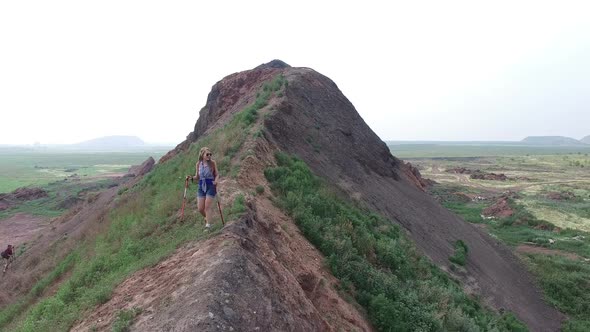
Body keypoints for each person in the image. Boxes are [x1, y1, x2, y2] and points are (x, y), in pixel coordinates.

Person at [189, 147, 219, 229]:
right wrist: (191, 178)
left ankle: (208, 226)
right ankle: (207, 218)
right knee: (200, 208)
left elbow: (217, 174)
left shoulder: (212, 163)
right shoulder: (198, 164)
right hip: (201, 185)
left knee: (207, 207)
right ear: (202, 155)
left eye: (210, 154)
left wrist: (216, 181)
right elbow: (197, 176)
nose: (209, 156)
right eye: (207, 154)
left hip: (211, 185)